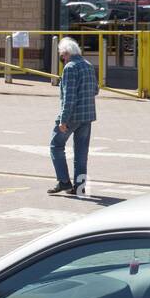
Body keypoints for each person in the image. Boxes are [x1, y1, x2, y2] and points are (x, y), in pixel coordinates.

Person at [49, 36, 97, 196]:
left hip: (72, 116)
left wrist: (63, 119)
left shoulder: (70, 67)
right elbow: (95, 90)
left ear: (66, 53)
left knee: (56, 146)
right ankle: (80, 187)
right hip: (87, 115)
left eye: (62, 56)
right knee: (81, 152)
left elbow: (69, 96)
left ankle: (63, 181)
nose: (62, 59)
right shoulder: (88, 65)